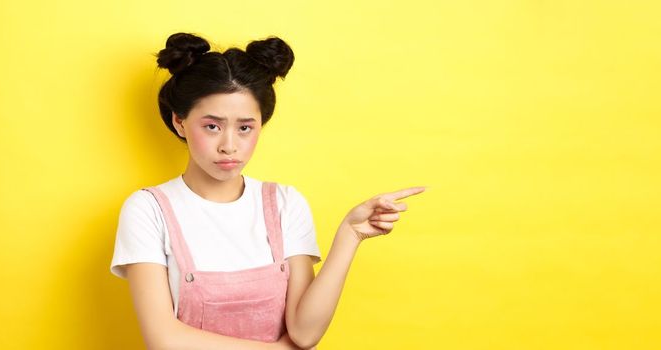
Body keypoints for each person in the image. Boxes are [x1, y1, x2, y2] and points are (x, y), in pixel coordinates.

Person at [110, 32, 426, 350]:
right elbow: (165, 340)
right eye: (212, 126)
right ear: (179, 122)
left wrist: (350, 234)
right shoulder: (148, 209)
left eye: (245, 127)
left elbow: (304, 332)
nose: (229, 145)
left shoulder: (284, 203)